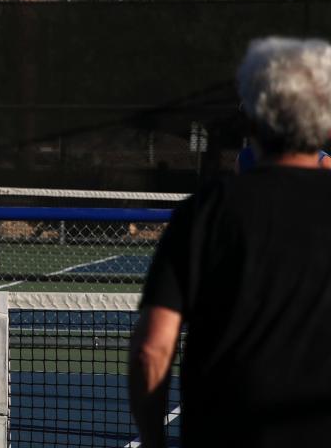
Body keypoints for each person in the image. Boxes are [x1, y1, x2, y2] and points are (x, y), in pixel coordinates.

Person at [129, 37, 331, 447]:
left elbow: (153, 349)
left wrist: (153, 440)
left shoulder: (203, 214)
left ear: (254, 121)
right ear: (324, 123)